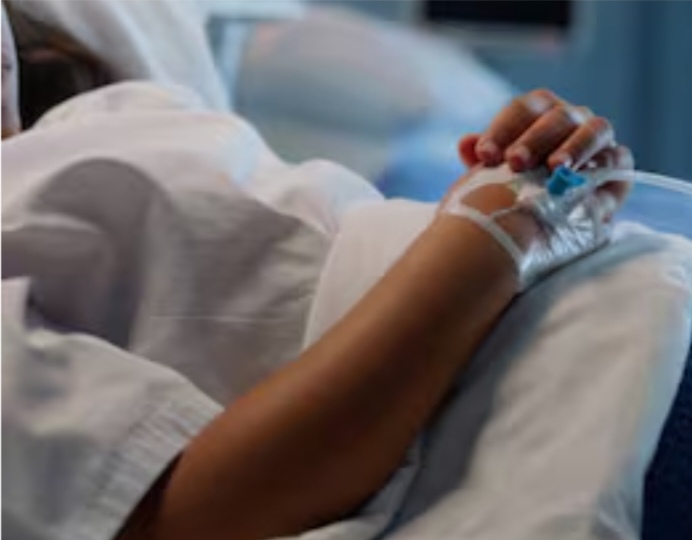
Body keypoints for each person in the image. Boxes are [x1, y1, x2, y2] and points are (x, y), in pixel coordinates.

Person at [5, 4, 673, 540]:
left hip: (611, 313)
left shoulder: (99, 114)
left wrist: (519, 176)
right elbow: (189, 513)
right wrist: (491, 240)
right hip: (574, 398)